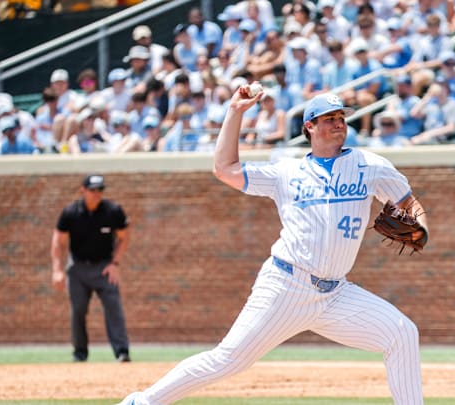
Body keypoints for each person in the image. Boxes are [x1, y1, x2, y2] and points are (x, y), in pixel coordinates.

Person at [116, 90, 428, 405]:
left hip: (336, 294)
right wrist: (235, 112)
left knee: (402, 334)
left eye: (341, 118)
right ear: (309, 126)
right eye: (329, 119)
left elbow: (408, 203)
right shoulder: (286, 171)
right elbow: (225, 169)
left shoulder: (370, 165)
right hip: (286, 285)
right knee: (228, 360)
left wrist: (421, 226)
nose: (338, 124)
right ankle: (141, 402)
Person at [51, 174, 131, 363]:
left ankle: (122, 352)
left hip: (104, 268)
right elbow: (58, 240)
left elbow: (124, 237)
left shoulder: (112, 211)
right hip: (78, 268)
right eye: (93, 190)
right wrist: (57, 269)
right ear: (83, 190)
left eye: (100, 190)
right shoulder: (71, 212)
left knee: (114, 307)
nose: (97, 194)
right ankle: (80, 353)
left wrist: (115, 263)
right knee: (78, 309)